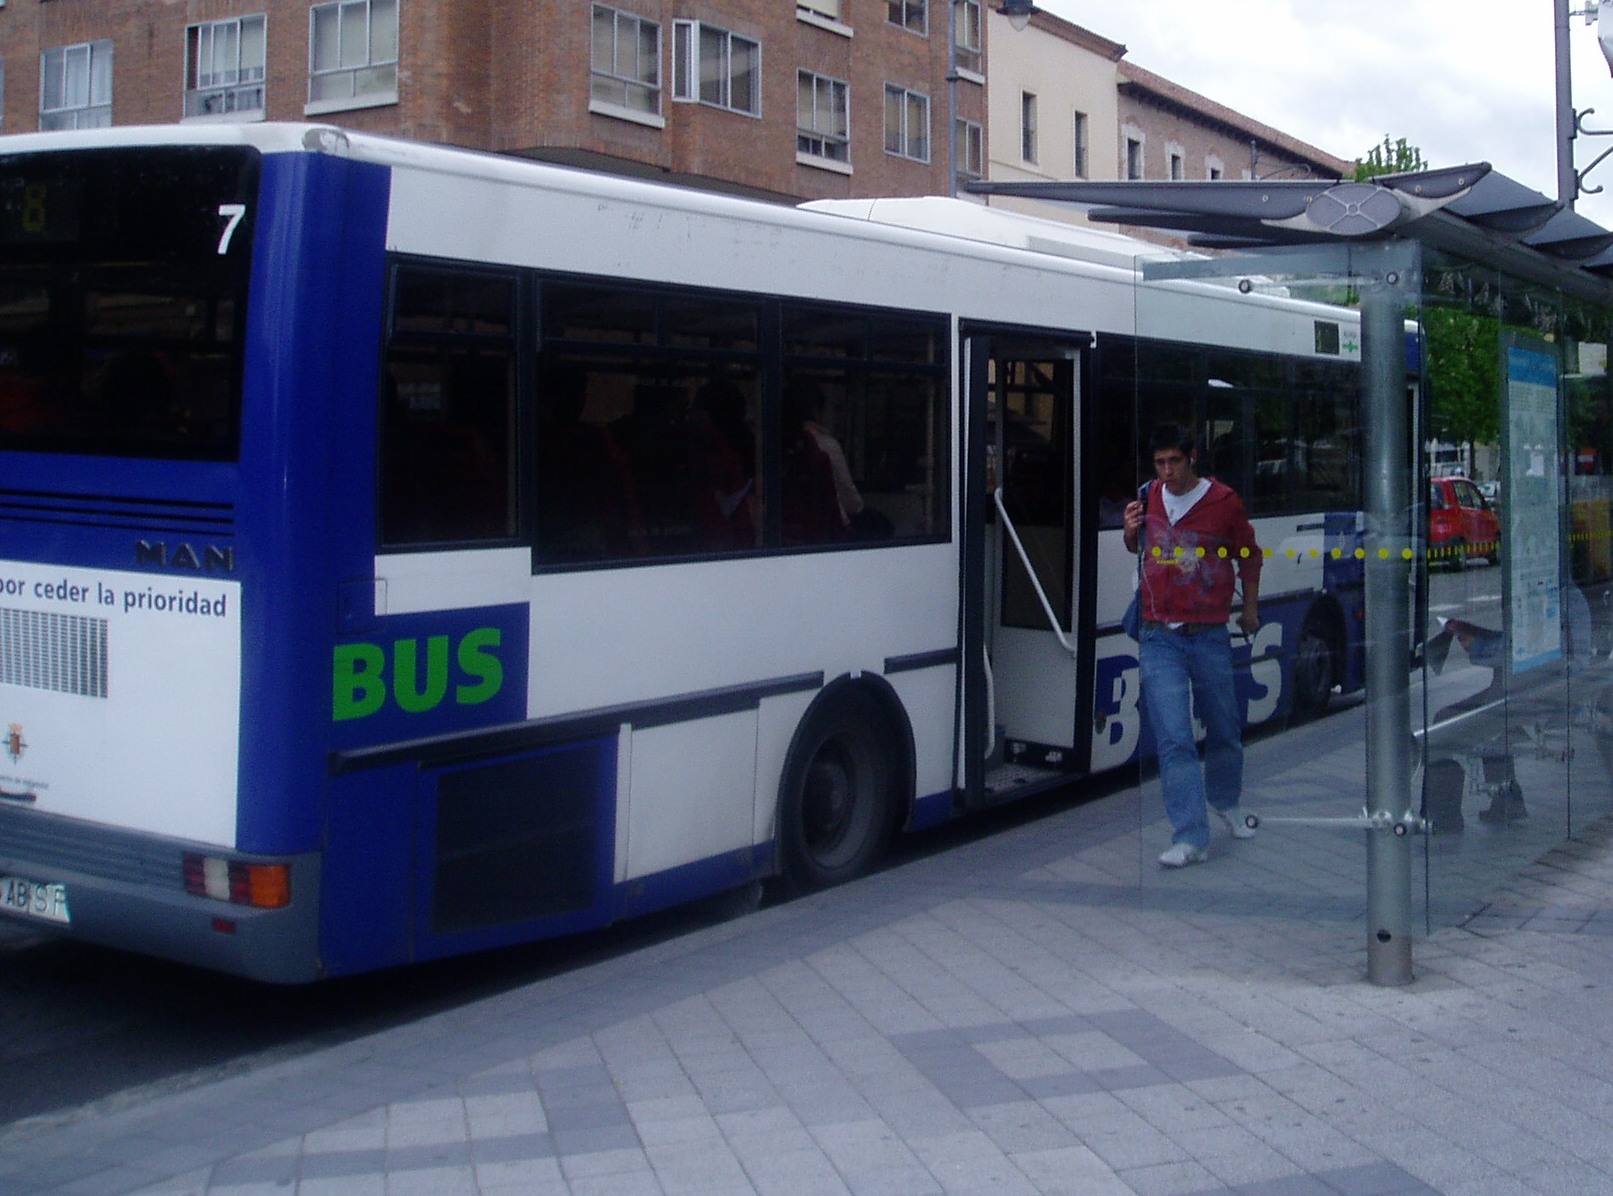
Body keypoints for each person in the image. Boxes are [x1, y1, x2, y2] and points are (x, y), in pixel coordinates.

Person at [1123, 422, 1262, 867]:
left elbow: (1249, 555)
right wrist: (1129, 531)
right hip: (1158, 634)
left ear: (1192, 458)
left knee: (1224, 728)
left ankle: (1225, 799)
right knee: (1174, 738)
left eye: (1174, 462)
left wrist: (1250, 609)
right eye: (1159, 463)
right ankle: (1189, 836)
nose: (1167, 471)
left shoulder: (1223, 502)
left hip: (1208, 633)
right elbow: (1138, 549)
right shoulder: (1148, 495)